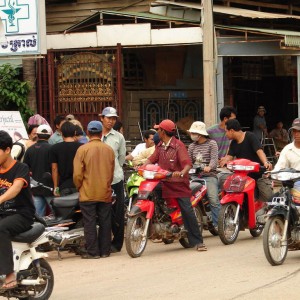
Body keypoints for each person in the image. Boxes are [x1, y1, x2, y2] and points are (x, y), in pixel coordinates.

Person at [143, 119, 207, 251]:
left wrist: (182, 172)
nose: (157, 131)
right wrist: (143, 165)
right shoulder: (160, 145)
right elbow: (152, 158)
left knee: (187, 211)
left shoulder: (179, 146)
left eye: (158, 129)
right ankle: (162, 223)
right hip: (163, 181)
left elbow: (187, 163)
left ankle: (198, 242)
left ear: (163, 132)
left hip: (178, 184)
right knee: (151, 194)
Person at [73, 121, 115, 259]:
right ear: (101, 133)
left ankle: (93, 252)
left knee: (89, 222)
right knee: (105, 222)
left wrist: (79, 186)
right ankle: (105, 251)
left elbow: (77, 174)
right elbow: (111, 172)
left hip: (87, 192)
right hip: (104, 191)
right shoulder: (108, 150)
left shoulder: (82, 149)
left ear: (88, 132)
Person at [0, 130, 35, 290]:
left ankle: (8, 273)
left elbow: (15, 188)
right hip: (3, 214)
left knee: (1, 228)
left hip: (22, 214)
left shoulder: (21, 168)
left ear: (7, 150)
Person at [220, 119, 273, 202]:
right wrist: (224, 160)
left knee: (269, 199)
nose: (225, 134)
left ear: (232, 131)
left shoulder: (250, 136)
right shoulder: (233, 143)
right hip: (243, 178)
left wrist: (265, 162)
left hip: (258, 175)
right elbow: (229, 156)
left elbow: (259, 151)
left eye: (226, 131)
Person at [100, 107, 126, 253]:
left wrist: (116, 169)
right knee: (103, 212)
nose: (111, 121)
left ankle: (117, 243)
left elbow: (121, 158)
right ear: (102, 118)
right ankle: (103, 242)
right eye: (108, 118)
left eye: (113, 118)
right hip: (99, 180)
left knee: (118, 212)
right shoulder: (94, 135)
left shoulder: (118, 137)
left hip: (115, 179)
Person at [188, 121, 220, 230]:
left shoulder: (212, 144)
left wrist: (209, 167)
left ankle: (218, 225)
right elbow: (188, 162)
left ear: (200, 134)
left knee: (213, 199)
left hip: (209, 176)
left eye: (193, 133)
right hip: (195, 176)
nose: (191, 135)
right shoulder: (192, 146)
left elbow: (214, 160)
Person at [23, 124, 53, 217]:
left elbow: (25, 168)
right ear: (50, 135)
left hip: (35, 187)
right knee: (57, 215)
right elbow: (55, 168)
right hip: (49, 187)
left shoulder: (30, 150)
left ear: (37, 135)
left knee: (38, 216)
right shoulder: (52, 149)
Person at [49, 121, 81, 196]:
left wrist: (56, 187)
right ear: (75, 132)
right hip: (79, 185)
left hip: (63, 186)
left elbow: (54, 169)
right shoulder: (82, 147)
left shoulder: (54, 148)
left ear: (61, 133)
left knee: (65, 207)